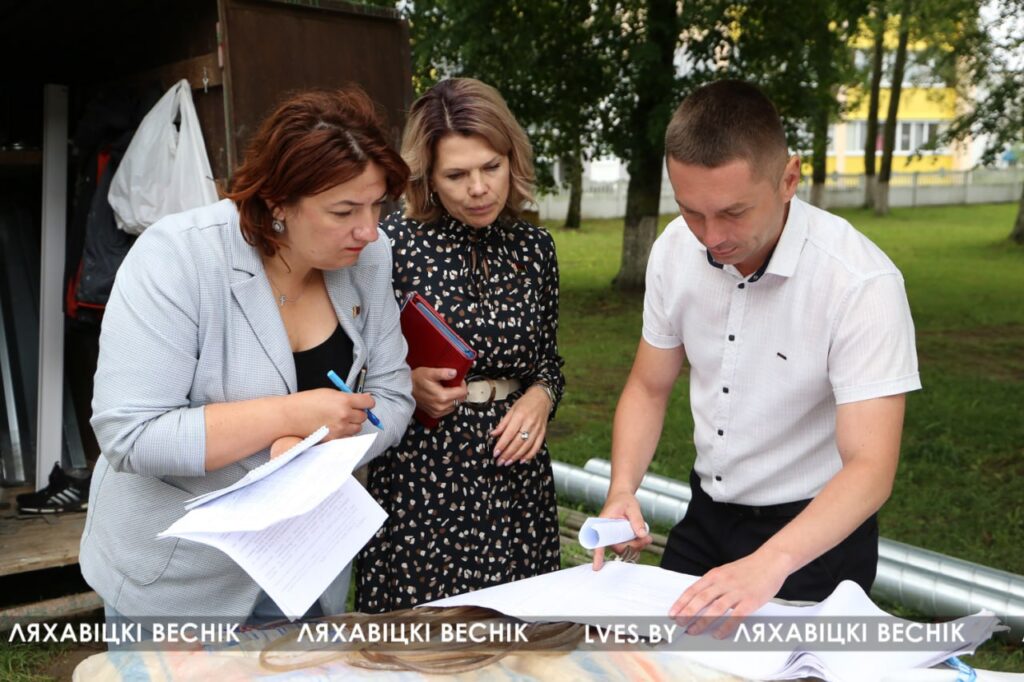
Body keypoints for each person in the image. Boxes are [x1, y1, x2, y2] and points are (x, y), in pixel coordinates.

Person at [593, 80, 921, 634]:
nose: (711, 237)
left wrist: (770, 563)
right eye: (691, 211)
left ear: (789, 179)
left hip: (815, 537)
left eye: (733, 212)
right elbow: (649, 386)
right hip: (707, 514)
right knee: (660, 659)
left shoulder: (860, 283)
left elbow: (870, 469)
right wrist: (623, 487)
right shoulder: (675, 248)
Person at [79, 87, 415, 626]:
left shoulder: (369, 257)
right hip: (180, 583)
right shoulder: (177, 256)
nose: (369, 230)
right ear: (278, 203)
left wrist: (320, 450)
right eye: (344, 211)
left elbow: (394, 396)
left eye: (377, 205)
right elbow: (131, 435)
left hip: (305, 569)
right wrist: (291, 417)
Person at [356, 78, 564, 612]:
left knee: (518, 634)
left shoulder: (535, 249)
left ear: (512, 158)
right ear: (427, 176)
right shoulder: (388, 246)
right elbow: (348, 365)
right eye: (456, 175)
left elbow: (548, 362)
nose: (478, 188)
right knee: (426, 640)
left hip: (515, 477)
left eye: (491, 167)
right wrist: (405, 384)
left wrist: (541, 397)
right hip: (423, 476)